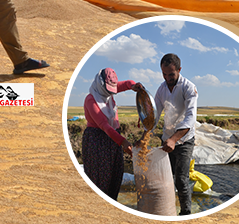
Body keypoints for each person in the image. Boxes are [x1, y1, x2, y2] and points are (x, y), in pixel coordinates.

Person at [82, 68, 144, 200]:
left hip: (114, 138)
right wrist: (123, 142)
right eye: (108, 89)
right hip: (97, 140)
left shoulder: (107, 93)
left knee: (116, 174)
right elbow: (105, 126)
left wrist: (134, 86)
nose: (111, 93)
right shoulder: (91, 100)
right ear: (101, 84)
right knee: (100, 177)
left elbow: (127, 83)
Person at [154, 53, 198, 216]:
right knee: (165, 177)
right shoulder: (161, 89)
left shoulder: (188, 87)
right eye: (164, 74)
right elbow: (156, 114)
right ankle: (167, 208)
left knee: (181, 178)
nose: (167, 78)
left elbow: (190, 117)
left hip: (184, 140)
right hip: (167, 138)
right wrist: (146, 130)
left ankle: (186, 213)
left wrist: (174, 139)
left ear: (179, 70)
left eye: (171, 74)